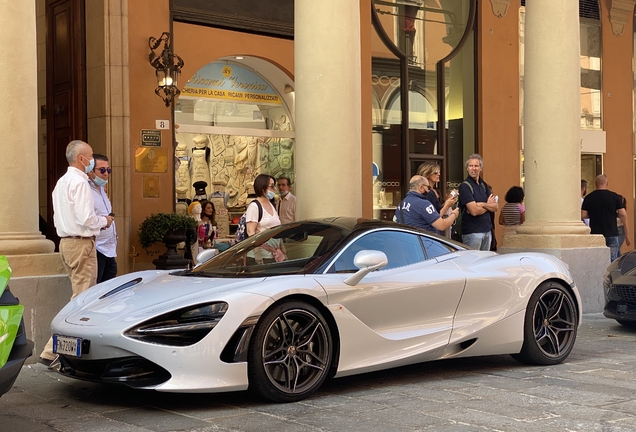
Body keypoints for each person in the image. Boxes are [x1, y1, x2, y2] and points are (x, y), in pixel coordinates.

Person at [39, 140, 114, 366]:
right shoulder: (80, 182)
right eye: (90, 156)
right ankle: (53, 351)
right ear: (82, 159)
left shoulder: (61, 182)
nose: (92, 161)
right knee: (81, 301)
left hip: (66, 243)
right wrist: (105, 221)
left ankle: (60, 350)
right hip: (81, 243)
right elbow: (86, 218)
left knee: (79, 297)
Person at [581, 174, 631, 262]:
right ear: (606, 183)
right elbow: (623, 214)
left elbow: (583, 215)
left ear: (595, 184)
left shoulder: (589, 198)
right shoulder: (614, 196)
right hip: (611, 232)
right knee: (612, 260)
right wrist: (614, 215)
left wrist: (593, 214)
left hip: (596, 233)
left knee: (597, 259)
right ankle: (610, 275)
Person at [458, 153, 498, 250]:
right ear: (467, 168)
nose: (473, 168)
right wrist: (488, 205)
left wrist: (482, 204)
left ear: (481, 168)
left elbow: (495, 207)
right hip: (472, 232)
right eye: (470, 166)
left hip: (487, 231)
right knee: (472, 262)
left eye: (476, 166)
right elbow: (474, 211)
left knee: (484, 262)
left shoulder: (483, 185)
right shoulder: (465, 186)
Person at [88, 154, 117, 283]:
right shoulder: (86, 189)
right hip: (96, 248)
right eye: (102, 170)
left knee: (109, 288)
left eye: (108, 170)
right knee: (95, 289)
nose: (106, 174)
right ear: (91, 171)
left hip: (110, 249)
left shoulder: (102, 189)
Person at [246, 174, 286, 264]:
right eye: (272, 186)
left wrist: (282, 249)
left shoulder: (272, 205)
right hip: (260, 258)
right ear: (262, 187)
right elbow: (251, 233)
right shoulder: (254, 206)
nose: (275, 189)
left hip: (274, 255)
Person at [416, 161, 457, 235]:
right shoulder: (427, 193)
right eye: (435, 173)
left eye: (439, 172)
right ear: (427, 174)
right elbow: (435, 215)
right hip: (433, 231)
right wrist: (448, 206)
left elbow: (439, 209)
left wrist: (448, 200)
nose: (439, 174)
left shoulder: (436, 191)